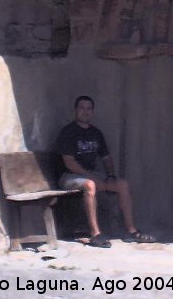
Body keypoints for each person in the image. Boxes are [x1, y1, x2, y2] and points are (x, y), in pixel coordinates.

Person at [56, 95, 156, 248]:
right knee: (90, 185)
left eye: (89, 108)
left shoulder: (96, 133)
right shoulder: (68, 132)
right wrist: (91, 177)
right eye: (82, 108)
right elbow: (70, 163)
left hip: (91, 174)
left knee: (122, 184)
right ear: (76, 110)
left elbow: (106, 158)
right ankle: (95, 234)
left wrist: (110, 175)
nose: (85, 112)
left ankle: (131, 231)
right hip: (69, 176)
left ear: (93, 111)